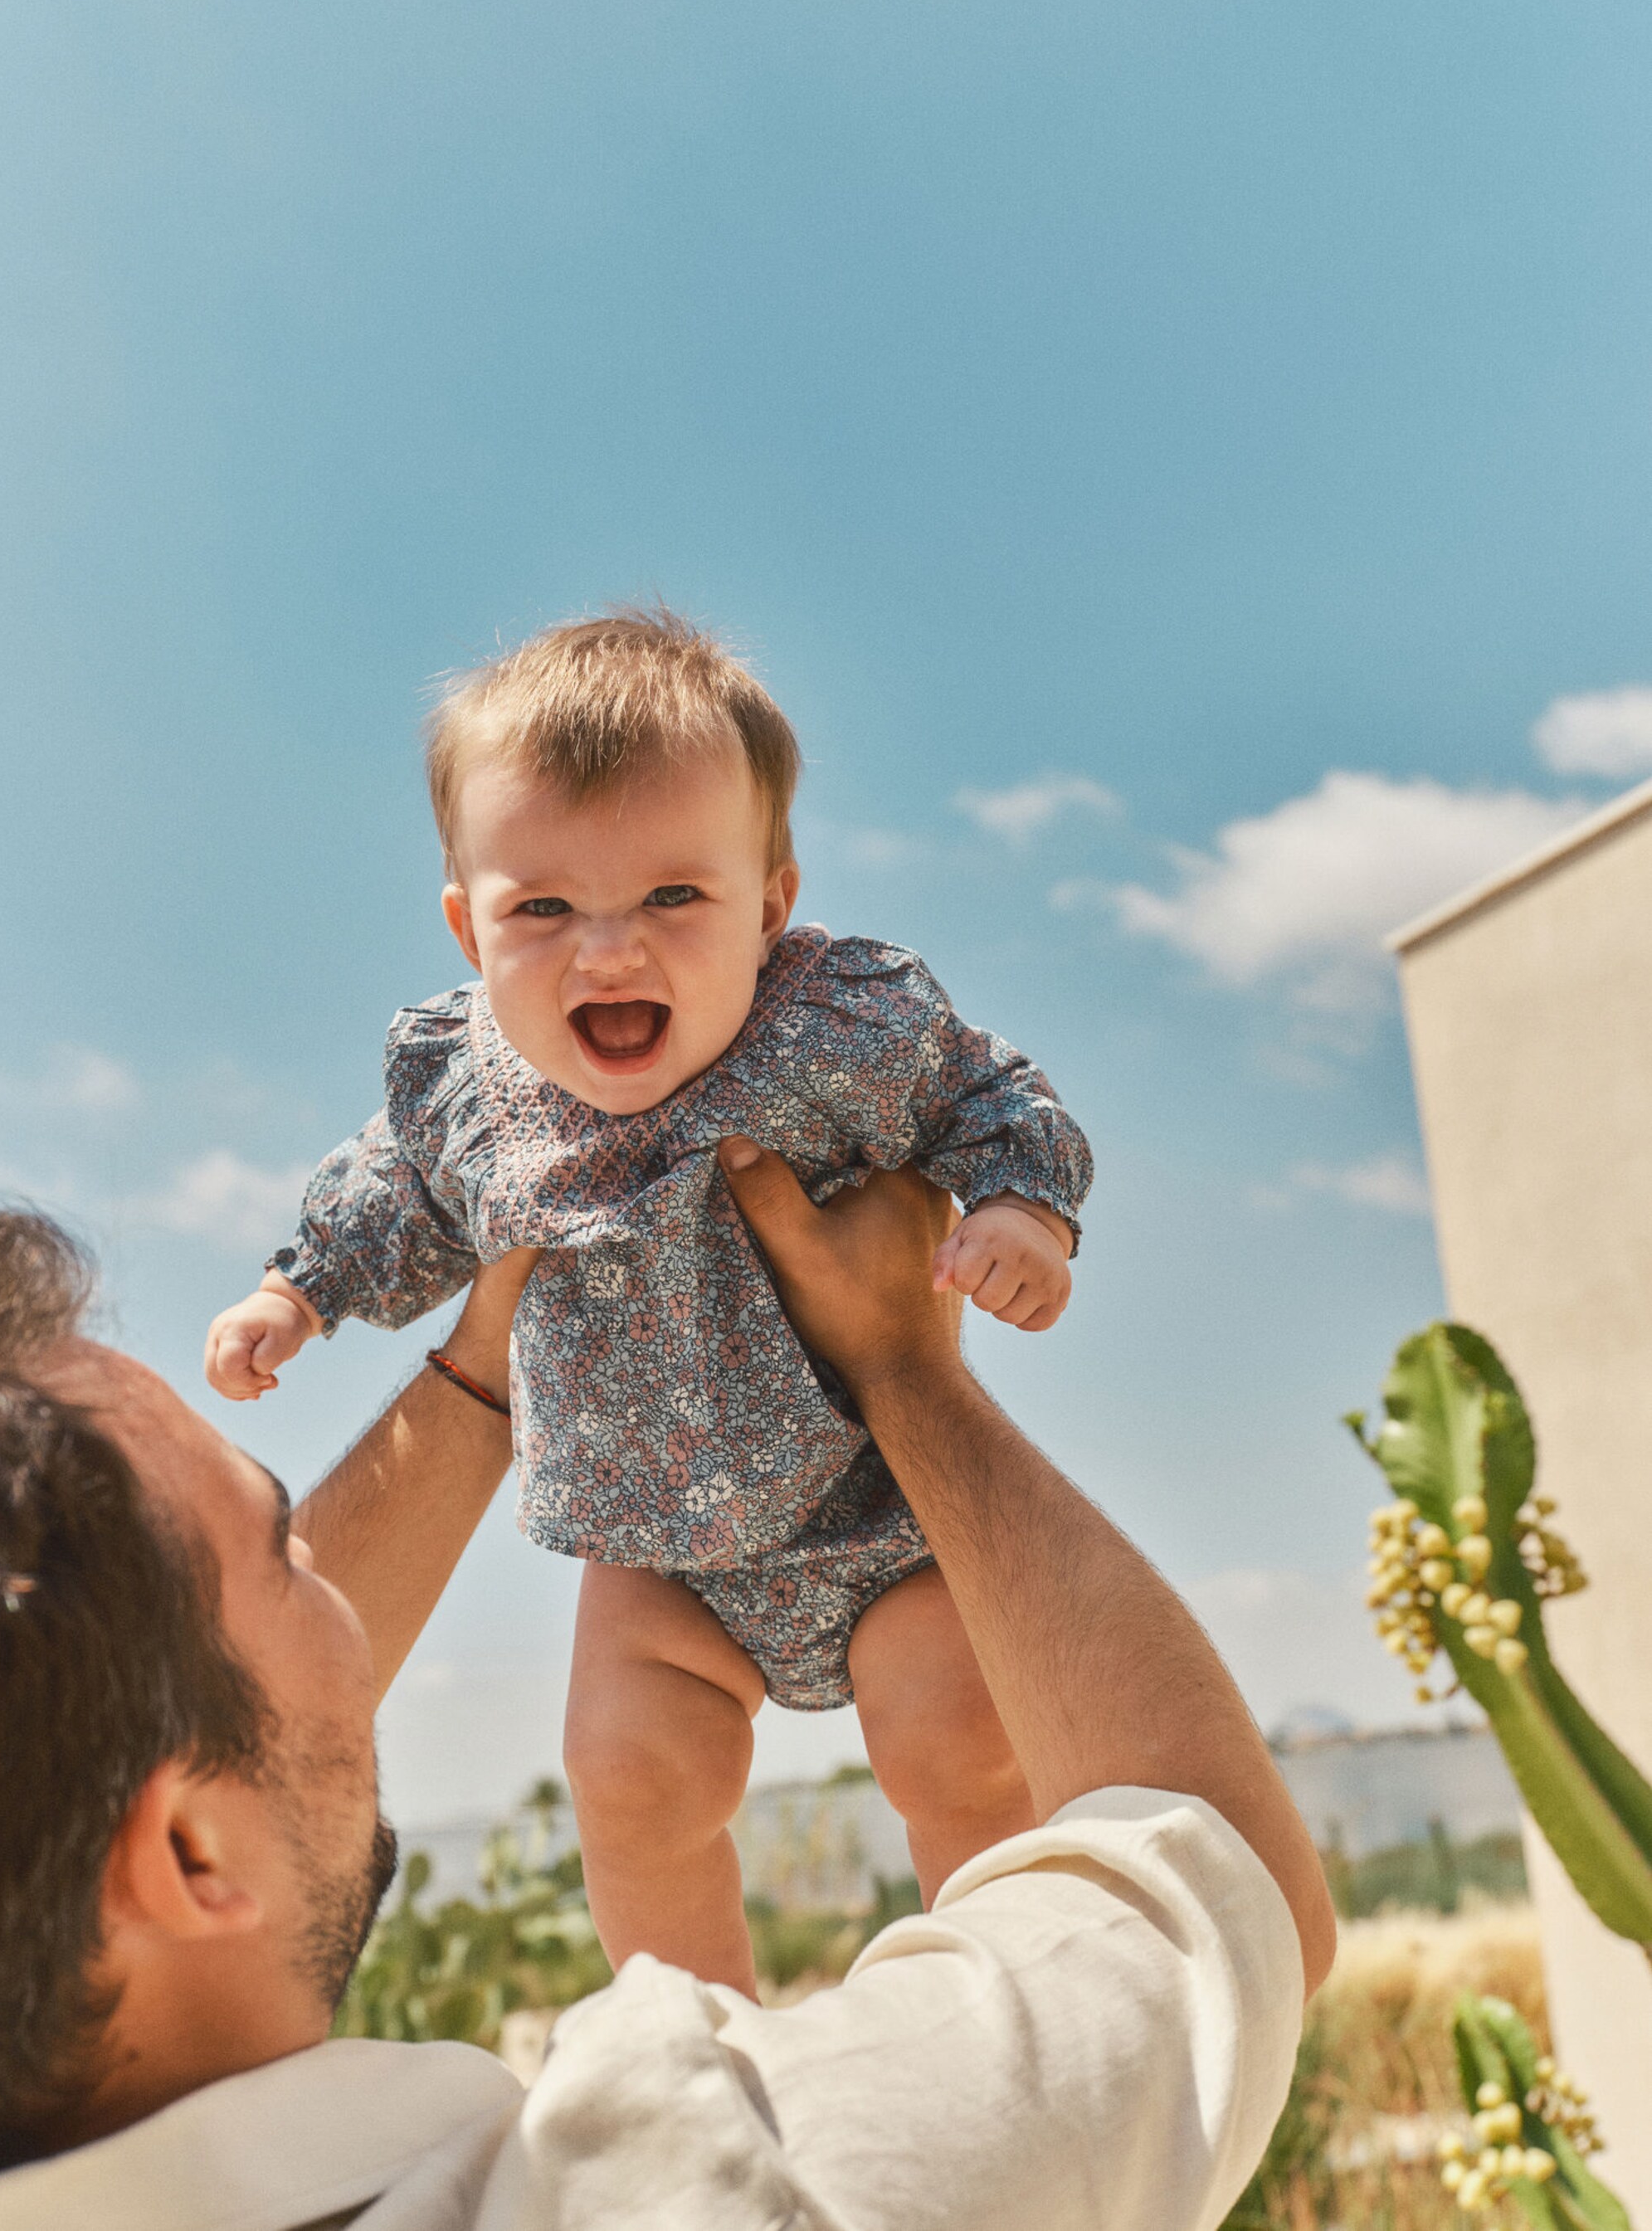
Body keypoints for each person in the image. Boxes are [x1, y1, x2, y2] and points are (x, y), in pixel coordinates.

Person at [0, 1147, 1333, 2226]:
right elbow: (1224, 1883)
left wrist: (489, 1369)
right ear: (190, 1857)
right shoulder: (697, 2183)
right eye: (281, 1546)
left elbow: (132, 1738)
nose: (337, 1585)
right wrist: (903, 1366)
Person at [204, 608, 1094, 1992]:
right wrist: (296, 1292)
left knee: (962, 1751)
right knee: (626, 1781)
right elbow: (396, 1197)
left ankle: (1005, 2010)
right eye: (544, 910)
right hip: (650, 1546)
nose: (609, 953)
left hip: (880, 1507)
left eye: (674, 898)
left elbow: (987, 1094)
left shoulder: (836, 1029)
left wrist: (1020, 1209)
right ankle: (698, 2043)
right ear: (468, 929)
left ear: (770, 908)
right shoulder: (469, 1093)